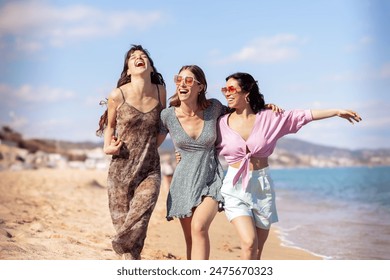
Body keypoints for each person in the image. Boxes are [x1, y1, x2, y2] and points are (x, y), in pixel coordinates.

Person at [216, 72, 362, 260]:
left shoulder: (270, 117)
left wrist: (335, 111)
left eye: (231, 89)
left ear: (247, 92)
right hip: (234, 188)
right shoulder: (221, 123)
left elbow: (303, 115)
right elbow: (198, 132)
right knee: (249, 243)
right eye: (224, 89)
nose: (226, 93)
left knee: (257, 251)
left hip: (262, 187)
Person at [159, 65, 280, 260]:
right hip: (183, 182)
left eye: (188, 80)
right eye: (178, 79)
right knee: (190, 239)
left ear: (200, 87)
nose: (182, 84)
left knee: (199, 228)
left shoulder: (214, 108)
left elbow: (241, 112)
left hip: (211, 180)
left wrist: (264, 108)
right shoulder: (167, 116)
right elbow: (152, 143)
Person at [96, 44, 166, 260]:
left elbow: (162, 126)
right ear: (127, 70)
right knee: (126, 227)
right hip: (121, 169)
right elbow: (110, 126)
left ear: (151, 68)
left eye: (143, 56)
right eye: (133, 57)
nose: (139, 58)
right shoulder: (117, 95)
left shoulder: (160, 91)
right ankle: (131, 263)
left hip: (149, 169)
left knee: (140, 217)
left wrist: (151, 146)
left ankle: (119, 245)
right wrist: (107, 147)